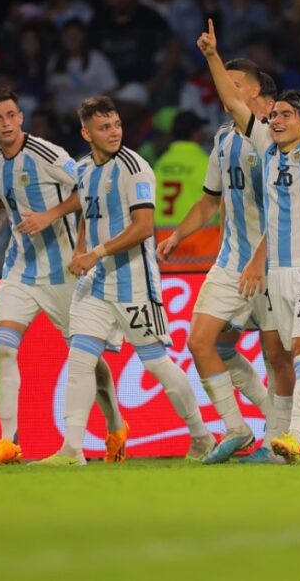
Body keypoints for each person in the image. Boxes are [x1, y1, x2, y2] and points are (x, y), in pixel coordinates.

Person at [199, 16, 300, 465]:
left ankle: (291, 440)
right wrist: (212, 56)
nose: (277, 119)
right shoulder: (267, 145)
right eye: (275, 114)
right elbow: (232, 101)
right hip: (277, 273)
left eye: (287, 114)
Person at [36, 96, 215, 466]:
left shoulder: (136, 168)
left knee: (157, 364)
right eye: (104, 127)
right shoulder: (84, 169)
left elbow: (144, 227)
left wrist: (94, 253)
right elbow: (89, 210)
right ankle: (72, 449)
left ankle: (202, 436)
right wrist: (81, 250)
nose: (114, 132)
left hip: (134, 283)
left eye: (116, 124)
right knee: (81, 359)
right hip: (96, 285)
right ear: (86, 133)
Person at [0, 88, 128, 465]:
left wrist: (51, 214)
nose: (6, 123)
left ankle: (116, 425)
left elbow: (87, 189)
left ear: (21, 116)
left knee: (87, 357)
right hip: (20, 271)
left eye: (12, 115)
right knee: (3, 347)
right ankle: (8, 441)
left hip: (63, 273)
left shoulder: (48, 154)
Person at [157, 63, 292, 465]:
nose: (223, 90)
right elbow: (209, 200)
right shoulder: (221, 139)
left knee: (278, 355)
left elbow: (283, 211)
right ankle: (237, 426)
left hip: (270, 263)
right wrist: (178, 235)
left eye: (233, 85)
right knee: (203, 342)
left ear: (256, 95)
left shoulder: (271, 139)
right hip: (230, 261)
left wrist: (259, 260)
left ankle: (280, 441)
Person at [153, 110, 217, 273]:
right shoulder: (204, 163)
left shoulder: (160, 165)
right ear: (195, 134)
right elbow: (217, 204)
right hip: (201, 248)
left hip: (165, 247)